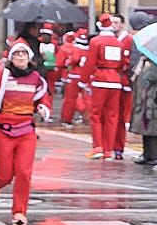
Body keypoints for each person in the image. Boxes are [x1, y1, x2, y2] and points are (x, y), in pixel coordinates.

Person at [0, 37, 52, 225]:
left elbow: (43, 98)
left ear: (29, 57)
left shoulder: (36, 78)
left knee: (24, 172)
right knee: (6, 174)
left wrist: (44, 109)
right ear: (10, 57)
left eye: (23, 53)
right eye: (16, 53)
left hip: (26, 131)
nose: (20, 57)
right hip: (4, 130)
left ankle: (19, 211)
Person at [82, 14, 133, 160]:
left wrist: (83, 80)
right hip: (116, 81)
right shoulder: (118, 43)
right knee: (113, 116)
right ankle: (109, 150)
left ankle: (98, 146)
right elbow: (124, 63)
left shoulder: (96, 42)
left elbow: (90, 63)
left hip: (100, 79)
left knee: (96, 114)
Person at [56, 28, 88, 126]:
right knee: (86, 98)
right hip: (85, 76)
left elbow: (66, 62)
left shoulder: (73, 48)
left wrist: (68, 62)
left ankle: (67, 119)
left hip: (72, 75)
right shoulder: (89, 49)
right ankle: (87, 116)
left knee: (70, 99)